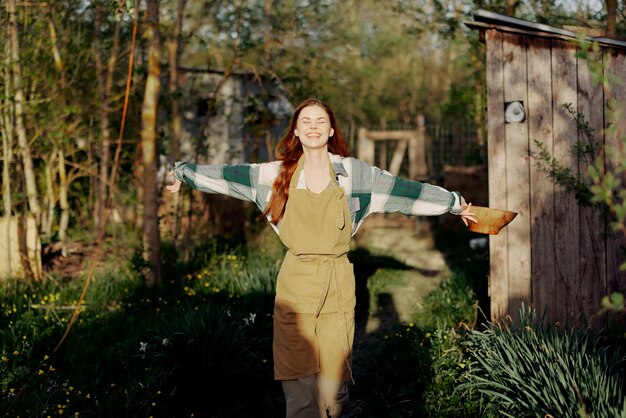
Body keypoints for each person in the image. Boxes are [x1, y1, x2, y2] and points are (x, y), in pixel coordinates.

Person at [167, 98, 477, 418]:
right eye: (306, 122)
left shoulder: (355, 174)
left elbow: (404, 191)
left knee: (334, 393)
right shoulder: (276, 176)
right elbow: (229, 177)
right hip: (295, 283)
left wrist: (453, 204)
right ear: (296, 132)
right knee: (299, 391)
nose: (313, 127)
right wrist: (184, 173)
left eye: (320, 121)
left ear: (330, 131)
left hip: (338, 281)